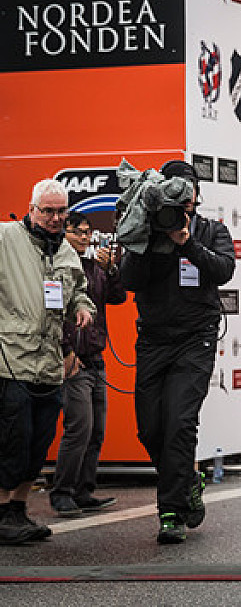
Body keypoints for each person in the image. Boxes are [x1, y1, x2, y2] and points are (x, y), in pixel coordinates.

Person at [120, 159, 236, 545]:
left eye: (188, 192)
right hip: (153, 339)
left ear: (196, 195)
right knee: (149, 428)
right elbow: (129, 281)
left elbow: (223, 270)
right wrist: (149, 241)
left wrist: (187, 243)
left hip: (195, 339)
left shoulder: (212, 230)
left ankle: (171, 513)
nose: (183, 200)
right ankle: (187, 481)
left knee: (179, 424)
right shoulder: (147, 229)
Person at [0, 179, 95, 545]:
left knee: (40, 442)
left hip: (50, 364)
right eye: (48, 211)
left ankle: (18, 510)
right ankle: (1, 513)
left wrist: (83, 308)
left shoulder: (66, 252)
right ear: (32, 209)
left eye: (61, 211)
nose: (55, 218)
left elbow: (79, 291)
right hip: (11, 359)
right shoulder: (7, 238)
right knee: (13, 440)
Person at [50, 212, 127, 517]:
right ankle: (62, 492)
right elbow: (55, 313)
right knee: (79, 428)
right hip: (75, 360)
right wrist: (67, 351)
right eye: (77, 232)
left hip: (96, 357)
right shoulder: (58, 266)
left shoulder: (95, 267)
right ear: (64, 234)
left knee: (96, 430)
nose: (84, 237)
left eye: (87, 232)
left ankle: (83, 491)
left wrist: (112, 270)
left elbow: (118, 297)